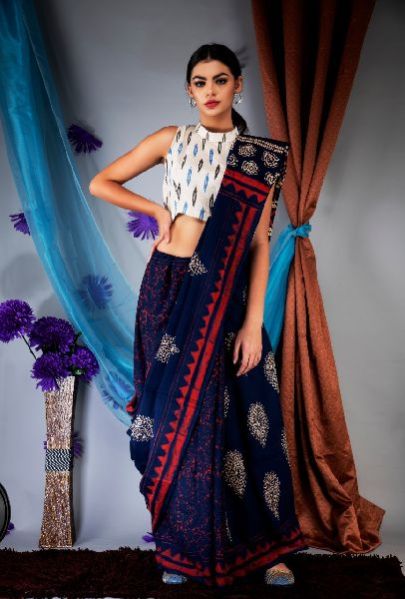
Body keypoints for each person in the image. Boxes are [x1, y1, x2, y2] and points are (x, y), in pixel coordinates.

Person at [89, 43, 309, 588]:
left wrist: (254, 322)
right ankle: (180, 547)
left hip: (229, 293)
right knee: (171, 417)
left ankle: (266, 551)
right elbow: (101, 182)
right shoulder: (171, 139)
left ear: (238, 85)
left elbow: (259, 242)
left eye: (220, 79)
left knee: (246, 412)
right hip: (167, 288)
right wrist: (156, 209)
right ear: (189, 91)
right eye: (200, 82)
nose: (210, 91)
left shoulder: (259, 159)